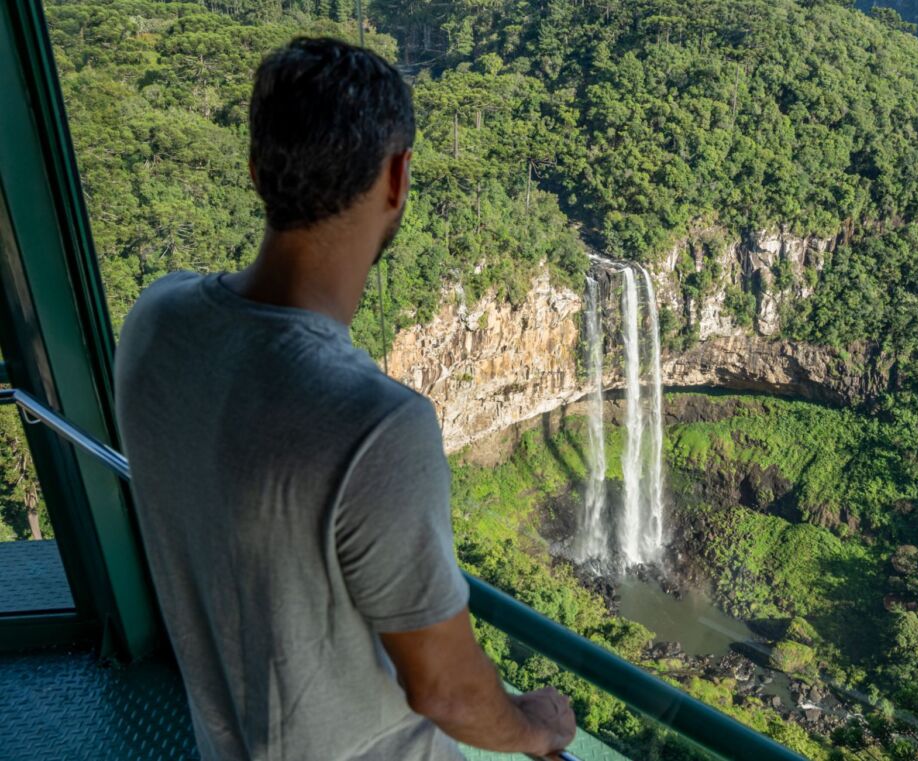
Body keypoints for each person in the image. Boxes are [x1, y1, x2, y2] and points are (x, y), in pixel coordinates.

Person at [113, 37, 576, 761]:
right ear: (397, 177)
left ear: (256, 168)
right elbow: (447, 692)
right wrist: (536, 725)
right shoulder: (376, 425)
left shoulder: (154, 320)